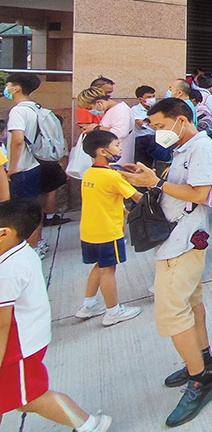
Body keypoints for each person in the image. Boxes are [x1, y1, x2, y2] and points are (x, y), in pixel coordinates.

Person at [118, 98, 212, 428]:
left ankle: (201, 380)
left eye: (161, 126)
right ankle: (204, 359)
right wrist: (147, 181)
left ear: (181, 120)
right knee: (191, 303)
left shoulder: (200, 148)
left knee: (172, 313)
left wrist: (155, 183)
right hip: (179, 239)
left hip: (183, 241)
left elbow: (200, 194)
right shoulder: (183, 147)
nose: (157, 132)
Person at [0, 200, 113, 432]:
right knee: (16, 396)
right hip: (25, 340)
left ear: (4, 234)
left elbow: (2, 323)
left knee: (30, 398)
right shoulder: (20, 252)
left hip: (16, 347)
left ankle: (90, 425)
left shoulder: (8, 270)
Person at [73, 131, 143, 327]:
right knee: (108, 270)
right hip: (108, 232)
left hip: (89, 231)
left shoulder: (90, 173)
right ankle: (113, 311)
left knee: (100, 266)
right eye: (116, 145)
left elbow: (105, 201)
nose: (120, 149)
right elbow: (138, 197)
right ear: (103, 151)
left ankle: (88, 305)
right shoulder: (112, 176)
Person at [5, 73, 49, 255]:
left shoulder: (17, 111)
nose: (6, 89)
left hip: (21, 169)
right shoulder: (34, 108)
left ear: (16, 88)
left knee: (23, 211)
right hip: (33, 165)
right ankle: (38, 242)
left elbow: (17, 140)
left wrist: (12, 168)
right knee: (34, 207)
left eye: (8, 85)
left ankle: (32, 247)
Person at [131, 85, 158, 168]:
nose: (152, 99)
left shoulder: (156, 109)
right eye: (149, 97)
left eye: (153, 96)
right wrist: (153, 125)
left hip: (155, 139)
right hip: (142, 140)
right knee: (143, 164)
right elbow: (141, 124)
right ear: (140, 99)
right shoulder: (135, 109)